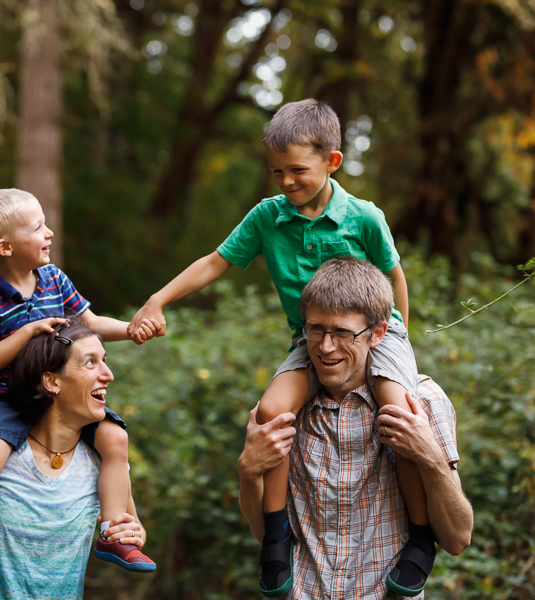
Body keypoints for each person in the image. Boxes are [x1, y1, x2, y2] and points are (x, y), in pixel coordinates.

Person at [129, 100, 431, 596]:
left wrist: (398, 341)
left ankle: (419, 538)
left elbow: (395, 276)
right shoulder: (269, 218)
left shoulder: (364, 218)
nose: (286, 182)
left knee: (401, 415)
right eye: (276, 172)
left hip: (375, 335)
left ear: (331, 162)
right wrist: (156, 300)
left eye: (297, 171)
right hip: (309, 340)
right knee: (270, 410)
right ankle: (275, 537)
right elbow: (215, 262)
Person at [237, 257, 473, 599]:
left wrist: (432, 460)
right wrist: (248, 471)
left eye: (343, 333)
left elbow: (457, 539)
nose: (326, 347)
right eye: (315, 329)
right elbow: (264, 535)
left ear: (377, 333)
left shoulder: (421, 402)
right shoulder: (287, 408)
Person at [0, 189, 158, 585]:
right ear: (6, 247)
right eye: (37, 227)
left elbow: (91, 321)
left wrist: (131, 330)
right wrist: (29, 330)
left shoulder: (54, 279)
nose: (49, 232)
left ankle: (112, 532)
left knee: (115, 440)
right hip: (9, 398)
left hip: (62, 398)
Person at [0, 322, 155, 599]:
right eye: (90, 363)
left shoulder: (105, 460)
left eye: (104, 362)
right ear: (51, 381)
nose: (108, 375)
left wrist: (133, 534)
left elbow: (133, 527)